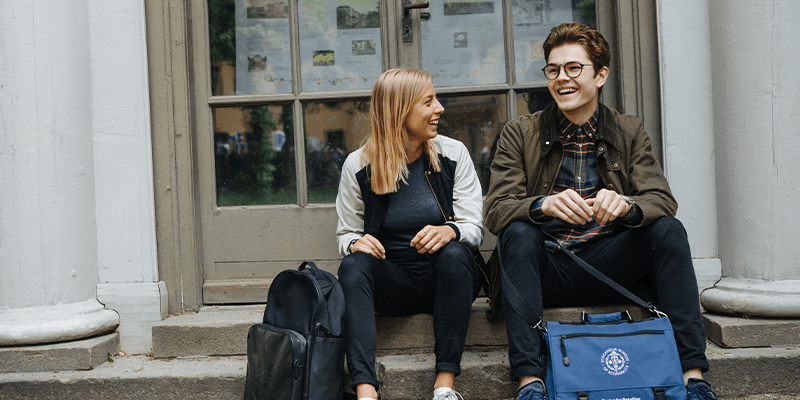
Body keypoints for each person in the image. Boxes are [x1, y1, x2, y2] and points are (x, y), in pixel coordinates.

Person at [483, 22, 719, 400]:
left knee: (669, 230)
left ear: (601, 74)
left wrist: (627, 206)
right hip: (548, 266)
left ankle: (693, 377)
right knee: (517, 232)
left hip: (610, 265)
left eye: (574, 68)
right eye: (554, 70)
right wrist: (542, 205)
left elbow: (661, 199)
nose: (562, 79)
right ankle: (530, 383)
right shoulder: (519, 132)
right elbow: (495, 210)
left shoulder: (628, 130)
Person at [336, 68, 484, 400]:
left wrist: (450, 230)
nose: (440, 109)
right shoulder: (359, 166)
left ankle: (445, 385)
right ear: (401, 111)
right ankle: (365, 390)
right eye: (429, 101)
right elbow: (345, 232)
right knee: (353, 266)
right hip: (393, 285)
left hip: (446, 281)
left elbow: (474, 228)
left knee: (457, 252)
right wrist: (354, 242)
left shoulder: (453, 154)